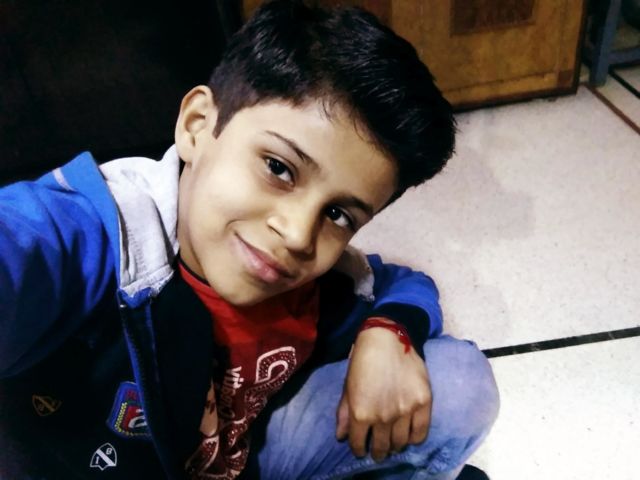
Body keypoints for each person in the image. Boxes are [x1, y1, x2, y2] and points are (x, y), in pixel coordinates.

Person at [0, 1, 499, 478]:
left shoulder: (316, 279)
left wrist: (388, 333)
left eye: (338, 214)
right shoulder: (95, 237)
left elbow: (403, 284)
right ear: (197, 125)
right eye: (278, 168)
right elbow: (23, 248)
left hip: (243, 457)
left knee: (459, 386)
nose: (297, 234)